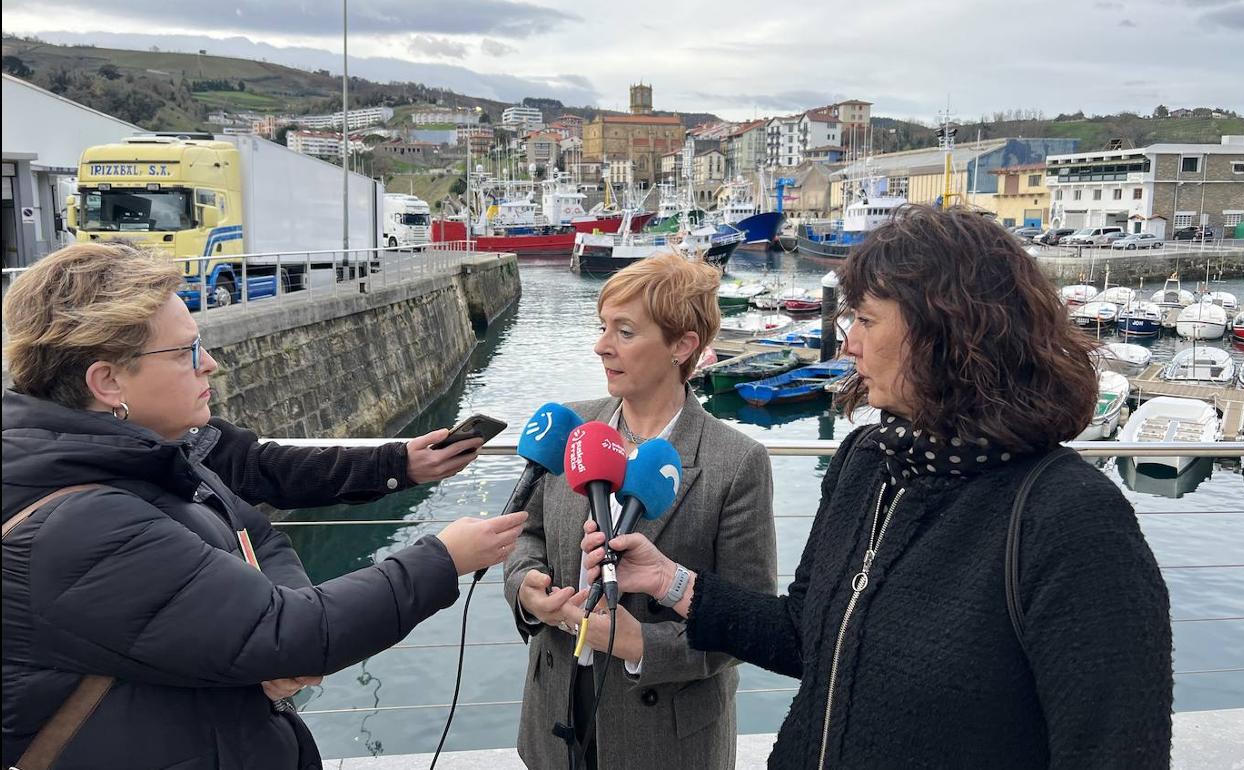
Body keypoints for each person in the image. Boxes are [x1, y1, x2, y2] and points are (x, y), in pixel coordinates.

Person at [581, 206, 1173, 769]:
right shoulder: (868, 463)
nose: (848, 344)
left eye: (865, 320)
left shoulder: (1071, 518)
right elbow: (803, 636)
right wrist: (668, 579)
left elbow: (1113, 750)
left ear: (948, 331)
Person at [1, 243, 527, 770]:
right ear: (107, 381)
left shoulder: (150, 454)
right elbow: (289, 629)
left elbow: (258, 532)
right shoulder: (80, 526)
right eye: (185, 352)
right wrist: (443, 558)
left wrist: (276, 641)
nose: (210, 363)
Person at [503, 253, 777, 769]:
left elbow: (750, 621)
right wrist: (527, 589)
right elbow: (527, 533)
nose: (602, 345)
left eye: (625, 332)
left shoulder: (736, 462)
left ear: (682, 345)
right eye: (603, 326)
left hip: (665, 739)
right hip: (555, 716)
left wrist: (642, 644)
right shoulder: (572, 427)